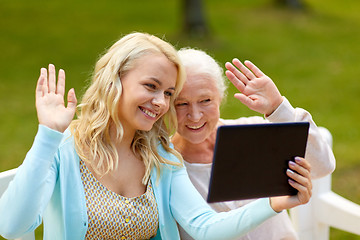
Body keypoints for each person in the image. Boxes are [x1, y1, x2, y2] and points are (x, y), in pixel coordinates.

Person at [0, 32, 312, 240]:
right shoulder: (65, 149)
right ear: (116, 80)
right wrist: (47, 135)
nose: (161, 102)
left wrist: (273, 202)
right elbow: (11, 227)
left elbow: (204, 227)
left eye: (168, 93)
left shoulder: (160, 156)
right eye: (151, 86)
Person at [171, 48, 336, 240]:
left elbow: (323, 166)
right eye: (181, 104)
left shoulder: (253, 133)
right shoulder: (164, 164)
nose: (195, 115)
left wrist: (277, 107)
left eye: (205, 100)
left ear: (220, 97)